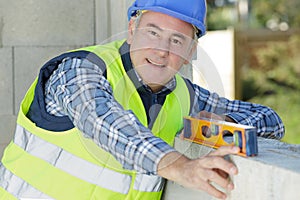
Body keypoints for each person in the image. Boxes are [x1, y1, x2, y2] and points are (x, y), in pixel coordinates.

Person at [0, 0, 284, 199]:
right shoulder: (81, 70)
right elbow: (102, 121)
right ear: (132, 29)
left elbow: (270, 120)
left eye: (176, 40)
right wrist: (181, 166)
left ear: (191, 50)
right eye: (153, 32)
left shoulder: (185, 96)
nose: (161, 49)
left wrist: (224, 124)